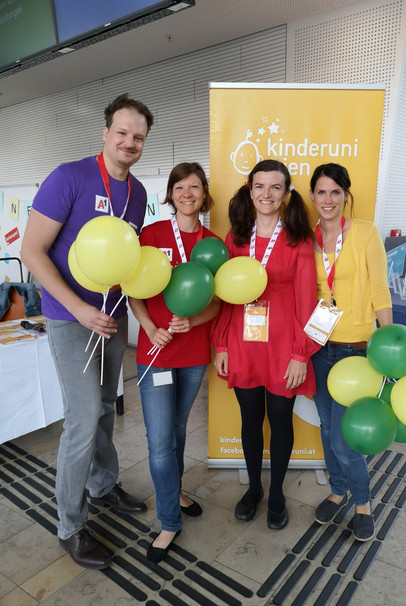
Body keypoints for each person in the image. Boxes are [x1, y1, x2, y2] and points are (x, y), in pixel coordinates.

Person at [20, 93, 154, 569]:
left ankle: (102, 485)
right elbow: (32, 252)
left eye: (138, 137)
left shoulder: (137, 194)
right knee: (80, 420)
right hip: (70, 318)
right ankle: (70, 526)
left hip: (112, 317)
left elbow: (126, 260)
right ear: (105, 132)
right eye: (121, 132)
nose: (129, 142)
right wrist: (78, 308)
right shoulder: (69, 177)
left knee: (103, 409)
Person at [213, 159, 319, 530]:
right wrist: (222, 345)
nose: (267, 194)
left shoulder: (299, 240)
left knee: (280, 421)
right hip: (244, 344)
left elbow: (307, 301)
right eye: (260, 186)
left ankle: (276, 494)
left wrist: (300, 354)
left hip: (282, 347)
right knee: (250, 420)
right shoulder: (235, 238)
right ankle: (254, 489)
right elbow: (226, 297)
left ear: (287, 193)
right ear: (249, 188)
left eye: (276, 187)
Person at [128, 162, 221, 563]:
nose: (187, 193)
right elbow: (134, 289)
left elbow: (218, 301)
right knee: (160, 442)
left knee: (179, 431)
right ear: (170, 193)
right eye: (180, 187)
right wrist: (149, 327)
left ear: (204, 194)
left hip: (193, 355)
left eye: (195, 187)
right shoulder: (151, 235)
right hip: (156, 355)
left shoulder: (213, 242)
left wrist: (192, 321)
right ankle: (168, 521)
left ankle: (175, 490)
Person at [308, 163, 392, 542]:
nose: (328, 200)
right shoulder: (305, 239)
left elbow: (379, 289)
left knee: (345, 438)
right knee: (326, 429)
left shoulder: (364, 233)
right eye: (321, 192)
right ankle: (337, 490)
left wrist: (387, 344)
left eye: (335, 192)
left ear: (346, 195)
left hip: (356, 351)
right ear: (312, 196)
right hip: (318, 347)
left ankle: (362, 502)